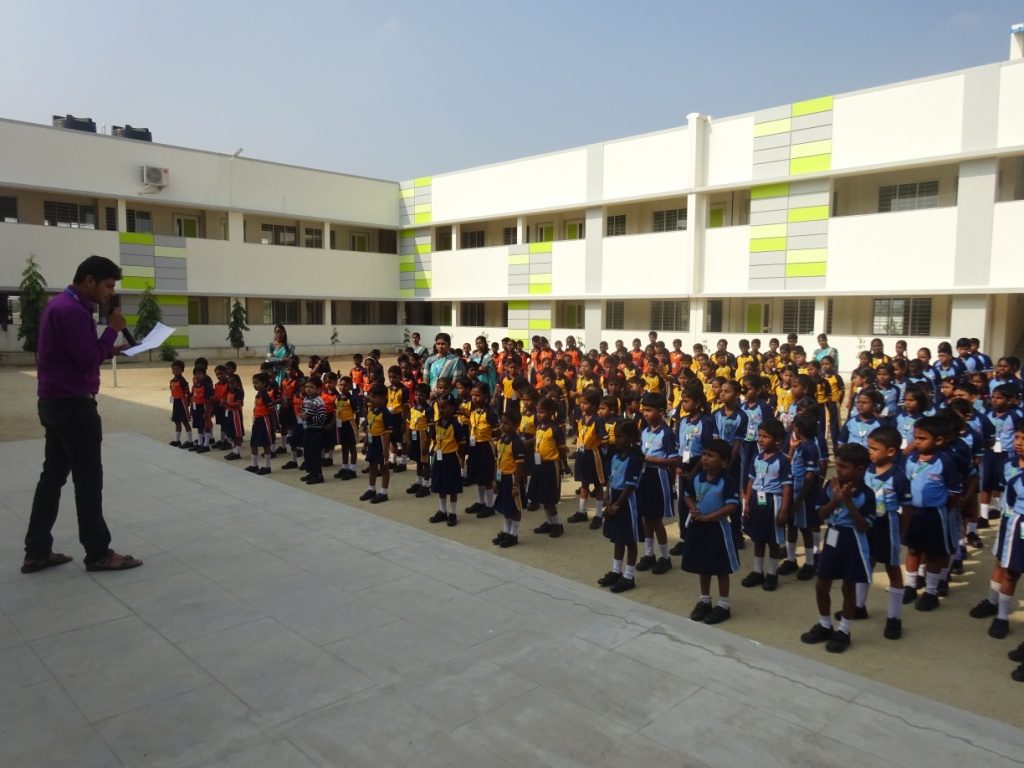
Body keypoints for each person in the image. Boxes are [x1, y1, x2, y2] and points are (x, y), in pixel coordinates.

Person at [23, 255, 142, 574]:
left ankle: (36, 551)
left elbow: (77, 353)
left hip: (54, 402)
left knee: (52, 477)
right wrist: (112, 331)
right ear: (89, 280)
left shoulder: (63, 305)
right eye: (108, 285)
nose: (110, 292)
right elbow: (86, 359)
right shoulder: (72, 311)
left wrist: (114, 349)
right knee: (88, 481)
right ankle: (98, 553)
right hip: (73, 406)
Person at [799, 444, 876, 653]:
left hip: (853, 542)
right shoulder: (829, 487)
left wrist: (848, 502)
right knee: (821, 585)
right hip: (832, 538)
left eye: (844, 467)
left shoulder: (867, 494)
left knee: (848, 588)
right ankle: (825, 624)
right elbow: (821, 514)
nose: (838, 470)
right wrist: (836, 499)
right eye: (838, 465)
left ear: (860, 469)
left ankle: (844, 630)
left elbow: (864, 526)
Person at [682, 438, 741, 624]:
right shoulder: (697, 477)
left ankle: (723, 605)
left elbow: (732, 505)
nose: (705, 458)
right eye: (704, 454)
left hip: (717, 529)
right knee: (703, 565)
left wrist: (709, 517)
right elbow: (687, 495)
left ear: (723, 461)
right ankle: (705, 600)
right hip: (698, 527)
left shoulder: (726, 480)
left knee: (721, 568)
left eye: (710, 456)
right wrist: (692, 507)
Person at [597, 420, 643, 593]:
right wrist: (608, 498)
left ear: (631, 438)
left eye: (620, 437)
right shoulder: (615, 456)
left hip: (627, 501)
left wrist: (617, 505)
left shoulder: (634, 458)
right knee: (617, 538)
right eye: (615, 436)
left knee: (629, 539)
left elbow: (630, 486)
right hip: (614, 498)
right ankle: (616, 571)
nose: (616, 440)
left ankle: (629, 576)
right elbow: (610, 478)